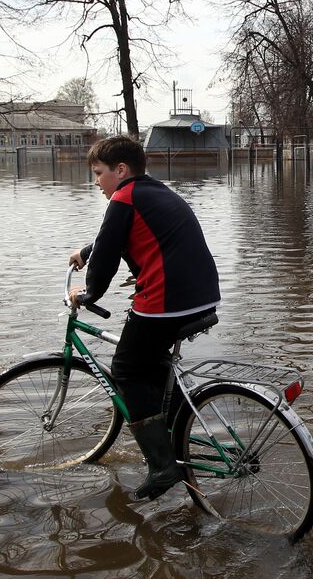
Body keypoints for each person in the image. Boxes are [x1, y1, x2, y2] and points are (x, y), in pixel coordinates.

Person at [67, 135, 221, 500]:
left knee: (126, 370)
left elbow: (107, 255)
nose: (96, 182)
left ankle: (163, 466)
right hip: (201, 294)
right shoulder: (153, 190)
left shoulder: (123, 197)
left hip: (169, 300)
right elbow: (115, 238)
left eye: (99, 173)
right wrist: (87, 251)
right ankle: (179, 432)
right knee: (153, 367)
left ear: (120, 170)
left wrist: (89, 293)